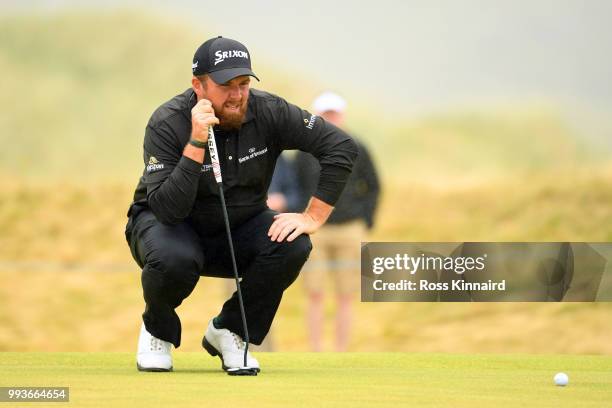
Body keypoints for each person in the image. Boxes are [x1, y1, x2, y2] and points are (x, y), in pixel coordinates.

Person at [124, 37, 358, 373]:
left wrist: (313, 217)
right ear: (198, 85)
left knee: (292, 244)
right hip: (170, 227)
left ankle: (230, 330)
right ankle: (157, 329)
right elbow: (167, 210)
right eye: (225, 86)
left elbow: (341, 148)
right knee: (174, 258)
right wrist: (196, 141)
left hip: (239, 226)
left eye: (243, 84)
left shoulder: (269, 111)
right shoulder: (168, 121)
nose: (236, 95)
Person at [294, 92, 380, 351]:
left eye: (334, 113)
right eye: (325, 114)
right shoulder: (304, 151)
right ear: (317, 116)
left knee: (345, 295)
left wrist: (366, 219)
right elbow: (297, 187)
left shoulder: (358, 147)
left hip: (350, 228)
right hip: (314, 230)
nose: (330, 118)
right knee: (315, 293)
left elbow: (373, 186)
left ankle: (341, 351)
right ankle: (316, 349)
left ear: (342, 116)